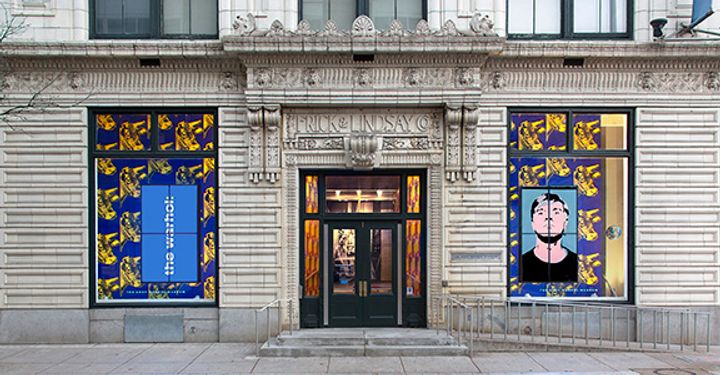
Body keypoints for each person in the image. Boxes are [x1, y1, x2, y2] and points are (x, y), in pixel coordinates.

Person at [521, 193, 578, 282]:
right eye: (541, 213)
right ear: (533, 223)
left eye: (556, 212)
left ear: (565, 222)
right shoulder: (520, 264)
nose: (549, 217)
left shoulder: (579, 265)